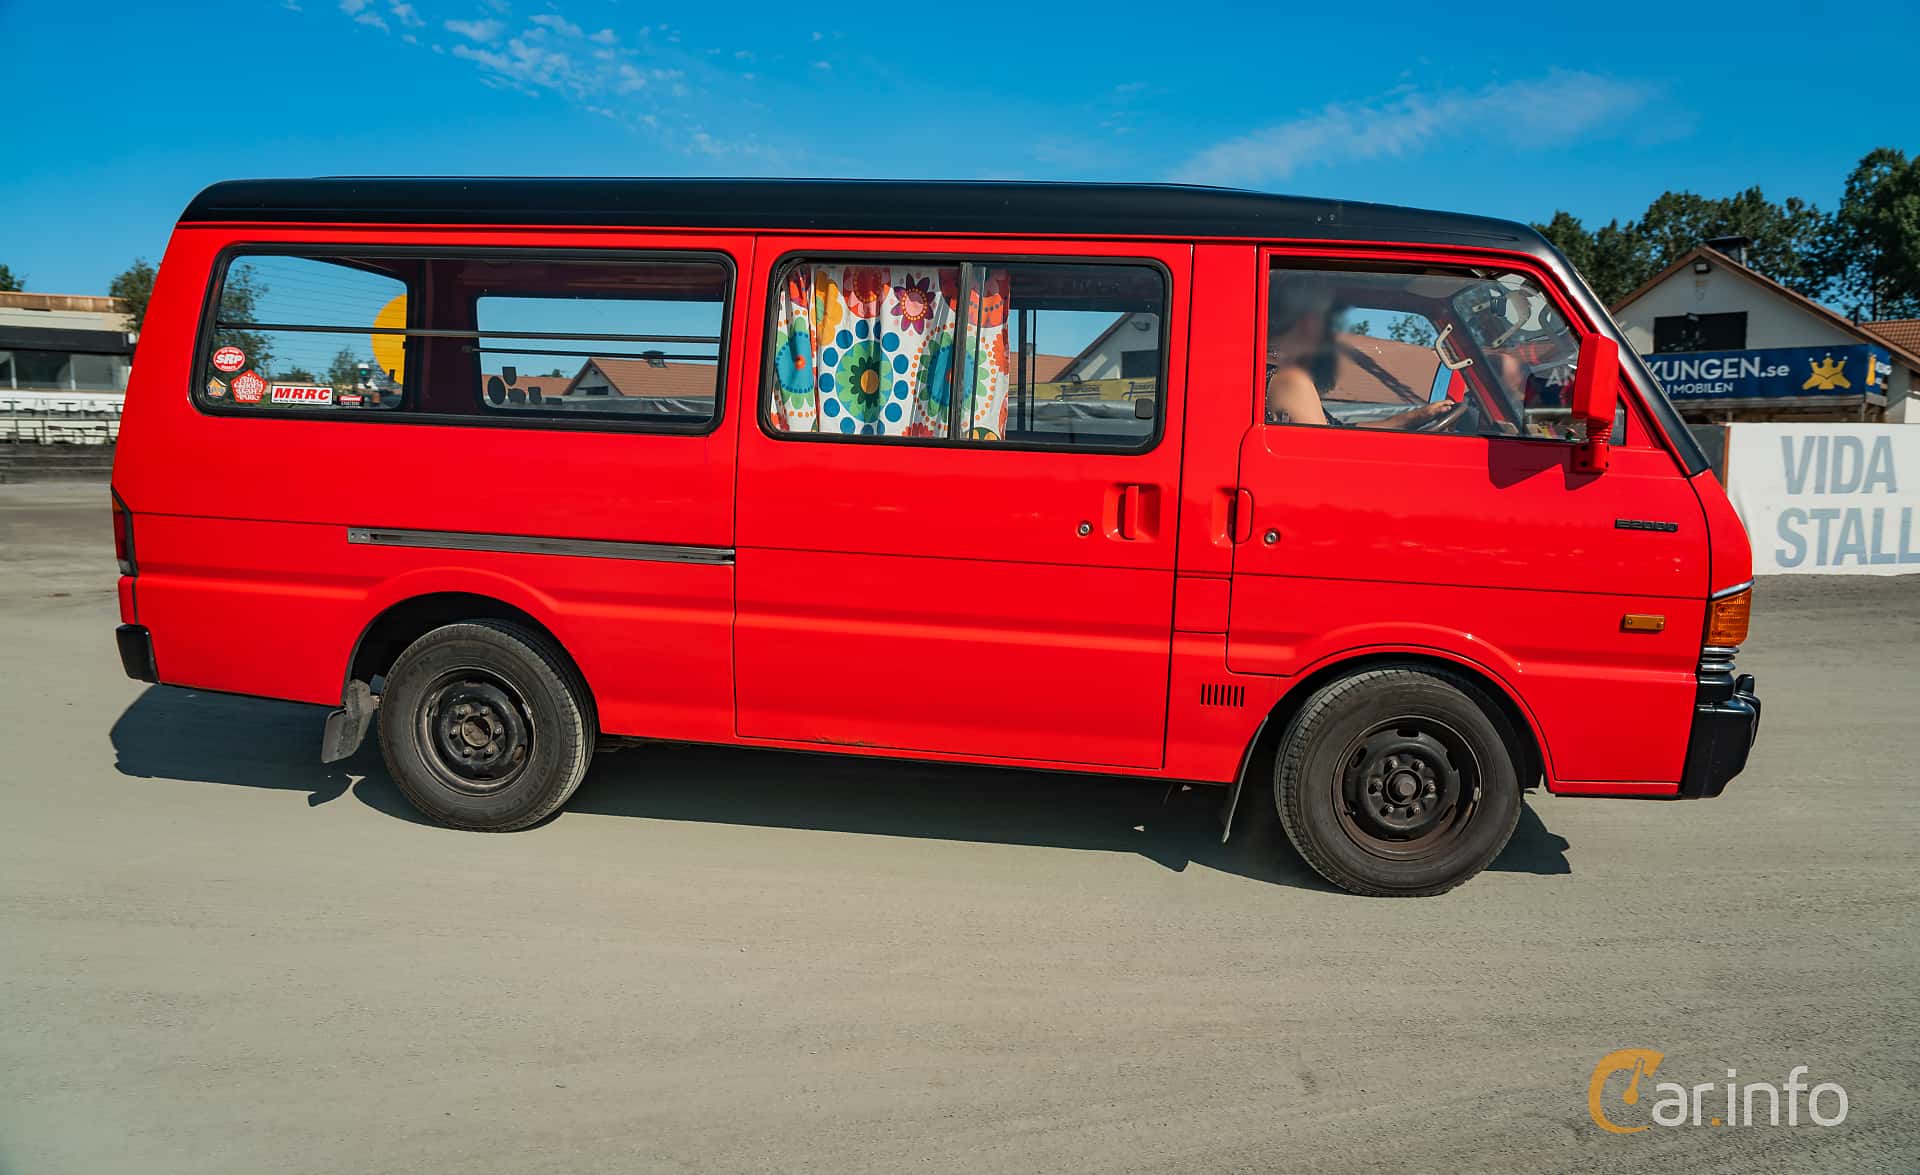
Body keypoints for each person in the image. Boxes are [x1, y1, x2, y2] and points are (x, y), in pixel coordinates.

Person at [1265, 281, 1464, 430]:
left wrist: (1415, 417)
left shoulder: (1271, 372)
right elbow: (1328, 450)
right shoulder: (1290, 380)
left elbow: (1339, 432)